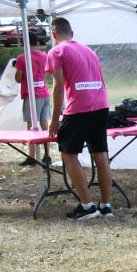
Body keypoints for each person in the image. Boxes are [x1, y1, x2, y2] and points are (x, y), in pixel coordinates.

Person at [44, 17, 113, 220]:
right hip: (101, 105)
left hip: (78, 108)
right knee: (101, 155)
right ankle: (106, 206)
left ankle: (87, 206)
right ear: (72, 33)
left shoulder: (56, 51)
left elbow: (58, 87)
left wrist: (54, 119)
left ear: (53, 34)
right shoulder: (89, 50)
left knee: (69, 154)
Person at [13, 42, 51, 166]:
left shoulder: (22, 58)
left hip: (31, 95)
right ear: (37, 43)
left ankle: (32, 157)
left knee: (31, 126)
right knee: (45, 125)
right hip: (44, 93)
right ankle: (47, 156)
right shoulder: (44, 56)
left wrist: (16, 69)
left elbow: (18, 79)